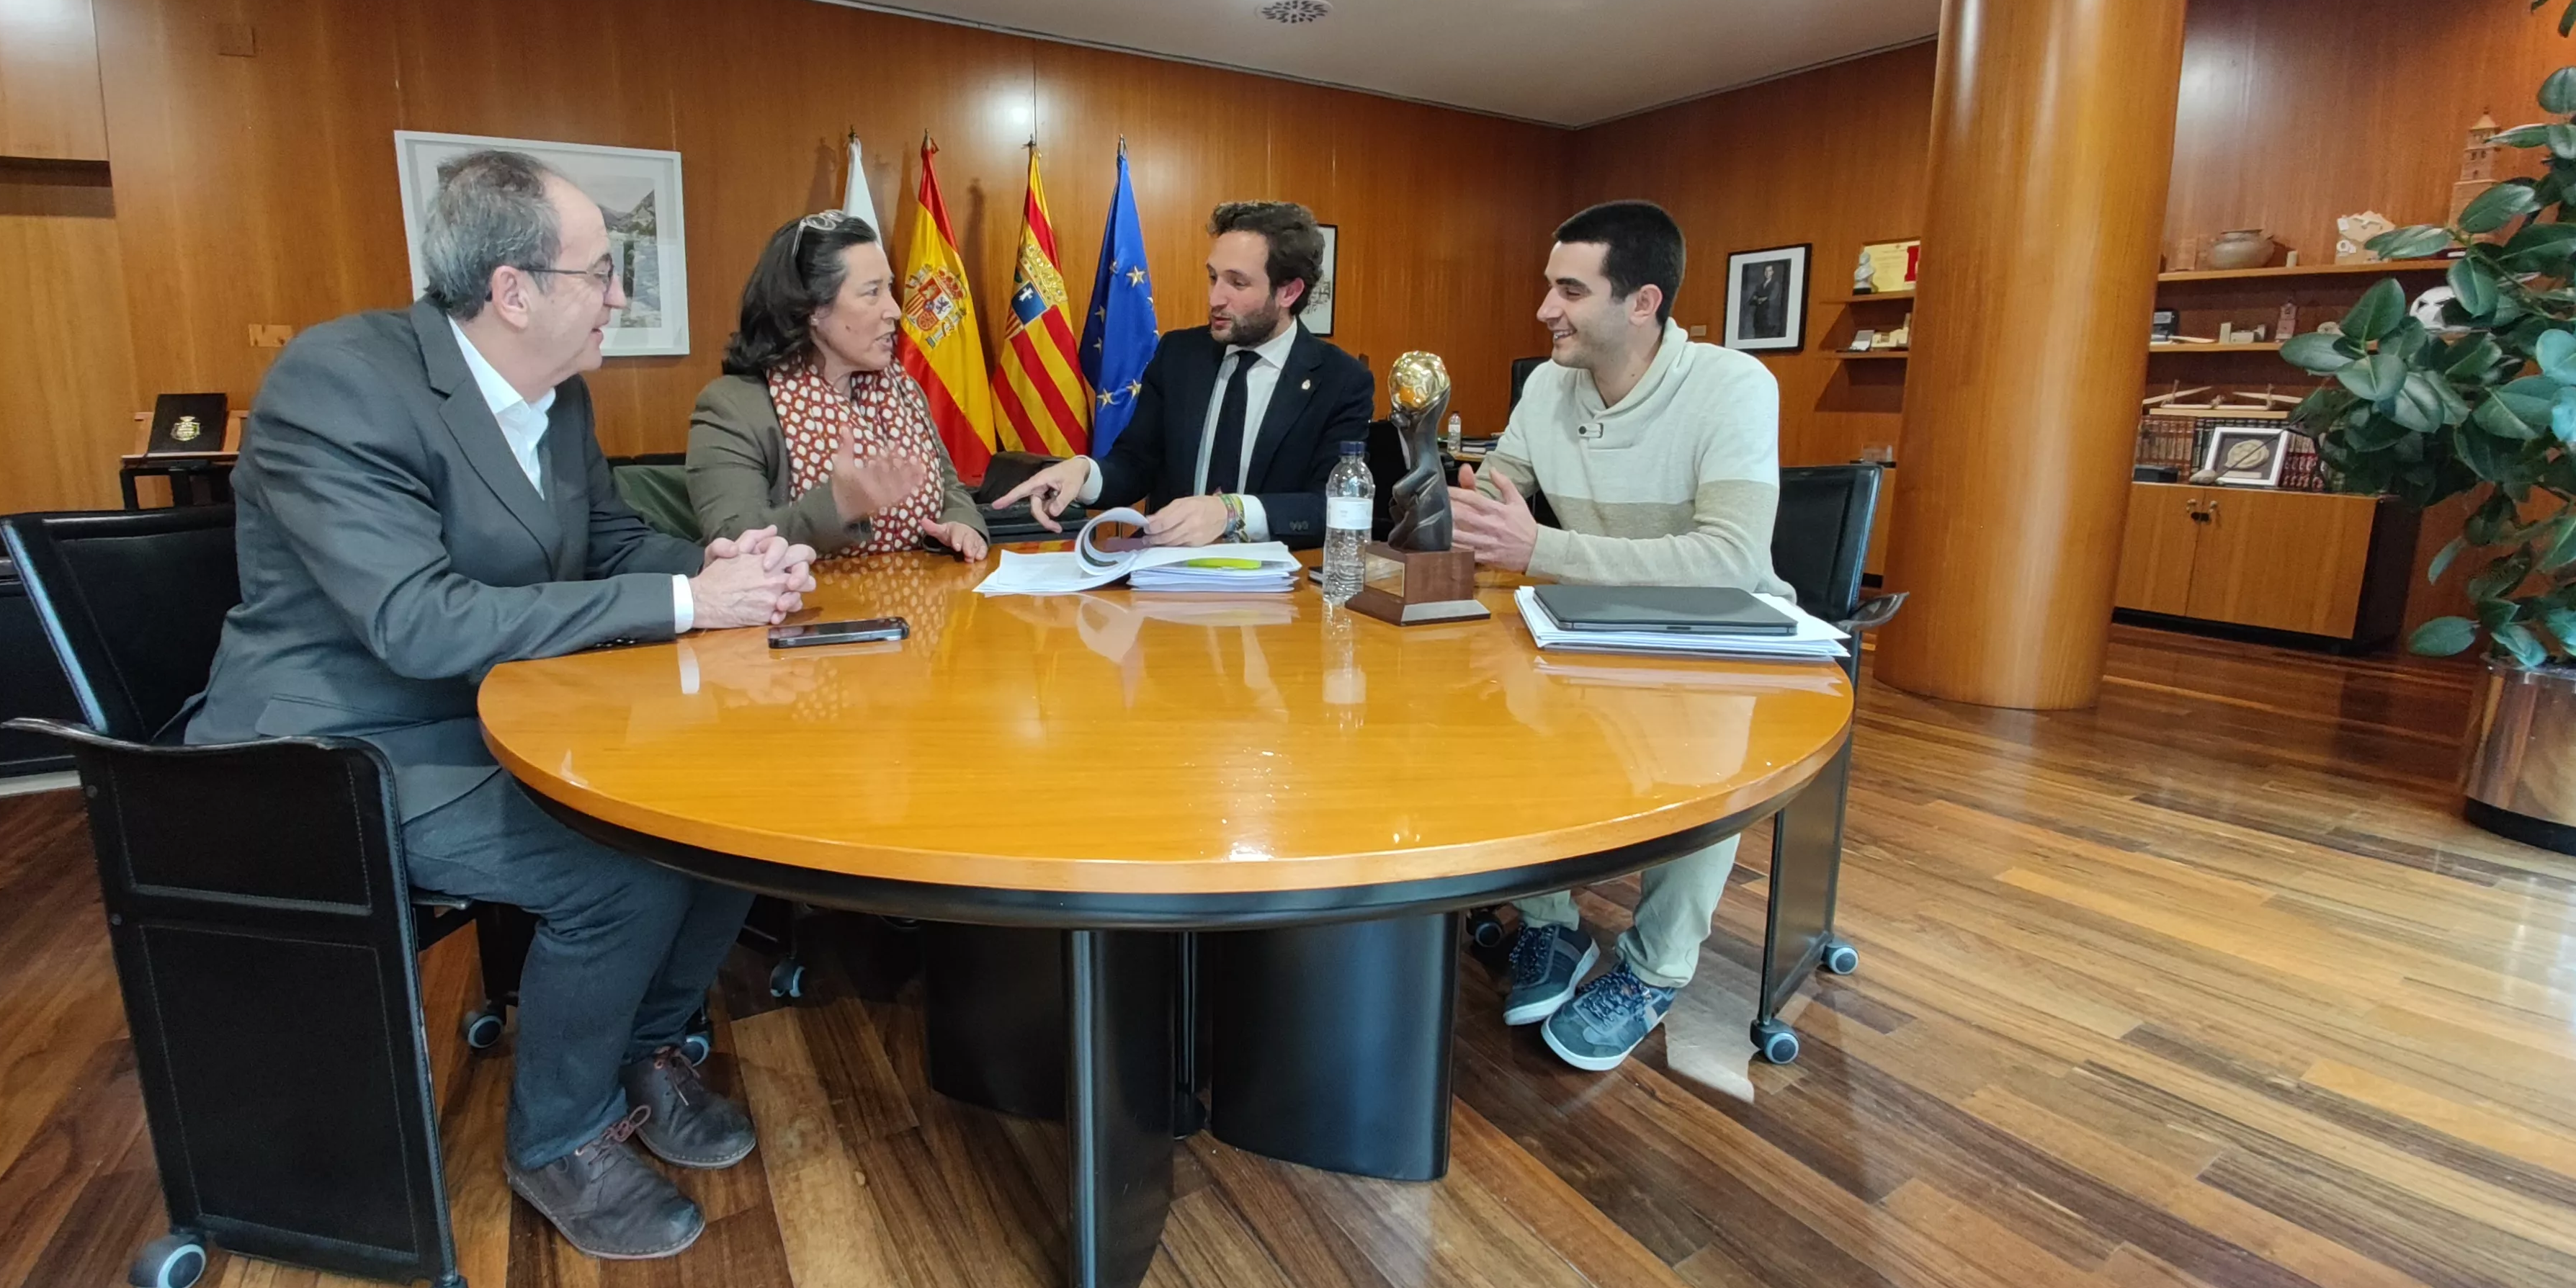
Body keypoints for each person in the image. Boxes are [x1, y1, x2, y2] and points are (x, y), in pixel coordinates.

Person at [187, 150, 817, 1261]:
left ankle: (650, 1046)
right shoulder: (337, 383)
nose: (620, 296)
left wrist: (733, 563)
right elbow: (418, 623)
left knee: (731, 813)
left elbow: (616, 545)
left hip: (505, 711)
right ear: (513, 290)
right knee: (615, 864)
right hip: (341, 743)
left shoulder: (557, 398)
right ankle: (559, 1139)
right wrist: (688, 598)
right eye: (602, 274)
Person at [1446, 199, 1788, 1073]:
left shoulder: (1733, 385)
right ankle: (1554, 925)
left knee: (1705, 759)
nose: (1543, 310)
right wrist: (1469, 496)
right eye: (1546, 287)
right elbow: (1504, 484)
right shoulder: (1546, 384)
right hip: (1590, 616)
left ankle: (1653, 970)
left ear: (1641, 303)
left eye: (1568, 290)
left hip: (1721, 629)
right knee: (1492, 709)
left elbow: (1733, 559)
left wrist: (1539, 544)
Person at [993, 200, 1372, 546]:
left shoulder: (1340, 380)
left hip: (1280, 597)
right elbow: (1135, 464)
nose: (1215, 299)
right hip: (1168, 583)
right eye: (1213, 277)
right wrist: (1082, 474)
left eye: (1237, 283)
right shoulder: (1179, 354)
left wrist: (1230, 512)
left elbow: (1332, 507)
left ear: (1288, 293)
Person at [687, 210, 990, 562]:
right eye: (872, 293)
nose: (895, 310)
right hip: (803, 608)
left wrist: (961, 523)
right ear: (813, 308)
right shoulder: (733, 407)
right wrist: (839, 506)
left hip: (924, 604)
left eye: (888, 288)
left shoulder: (903, 389)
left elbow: (950, 488)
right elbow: (734, 540)